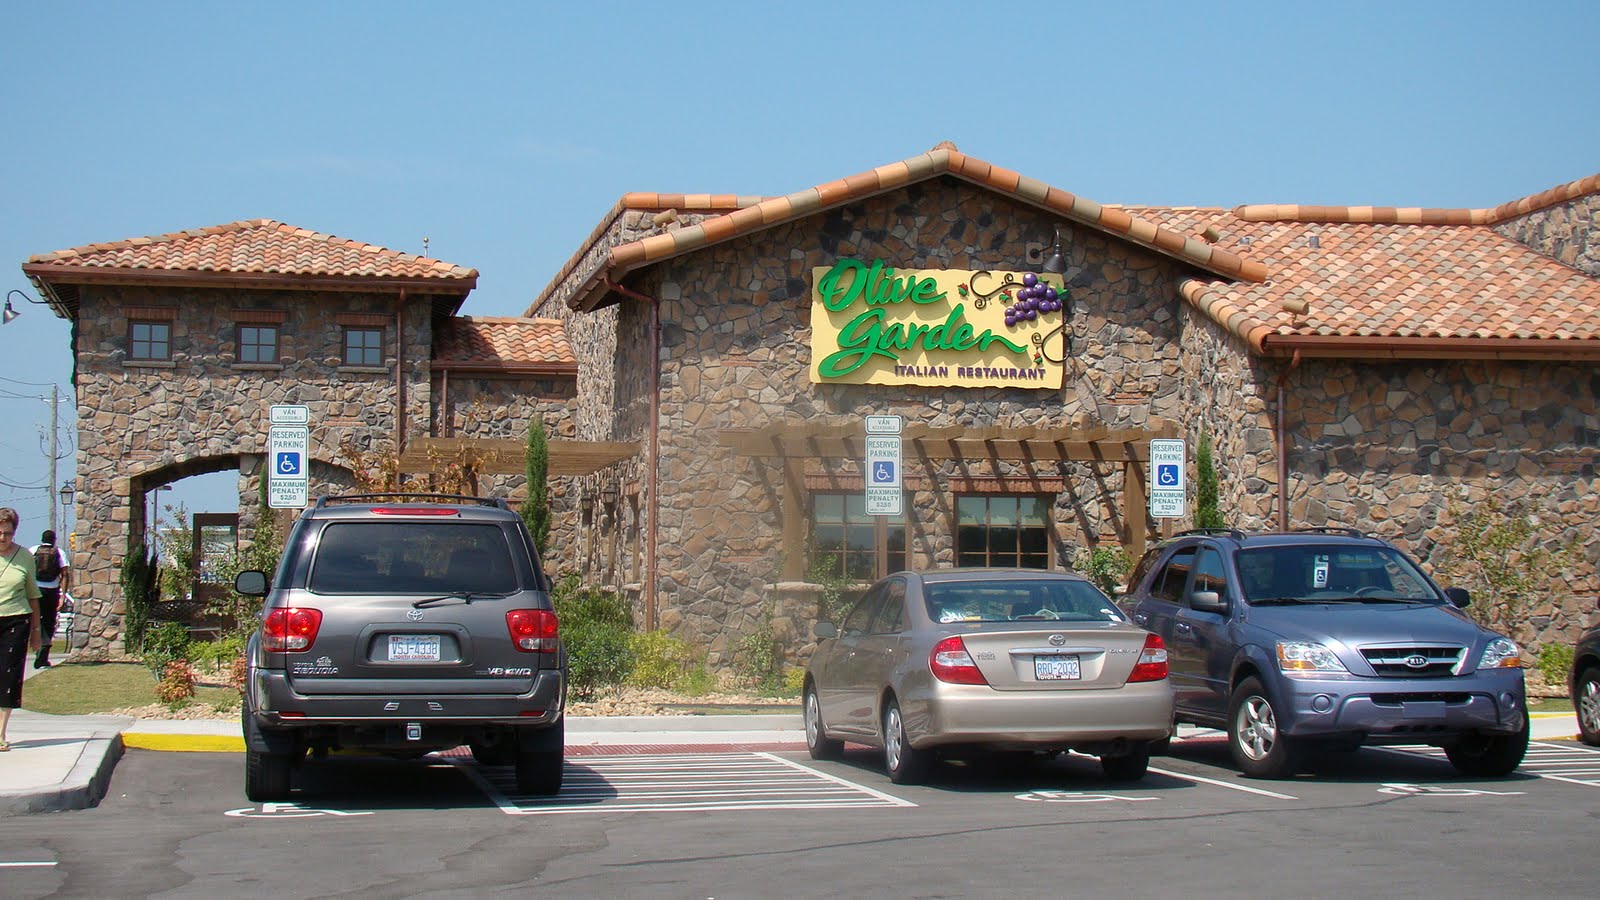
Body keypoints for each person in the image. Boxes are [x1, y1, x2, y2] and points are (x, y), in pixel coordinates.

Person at [0, 508, 43, 752]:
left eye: (7, 533)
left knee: (8, 676)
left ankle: (1, 733)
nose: (3, 538)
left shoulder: (24, 556)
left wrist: (36, 632)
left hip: (16, 620)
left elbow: (33, 596)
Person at [29, 529, 70, 668]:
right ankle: (44, 652)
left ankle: (40, 651)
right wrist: (63, 596)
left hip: (36, 589)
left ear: (42, 539)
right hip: (52, 591)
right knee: (49, 621)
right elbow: (65, 574)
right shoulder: (59, 552)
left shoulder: (33, 550)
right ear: (54, 540)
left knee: (37, 620)